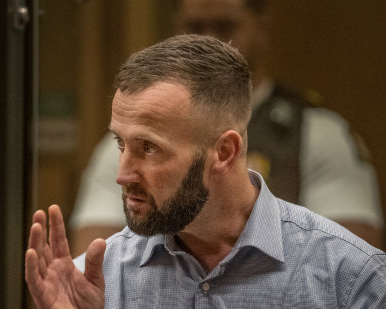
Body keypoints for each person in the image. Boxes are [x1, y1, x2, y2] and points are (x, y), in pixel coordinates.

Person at [13, 34, 386, 309]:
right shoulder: (95, 282)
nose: (123, 174)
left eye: (149, 148)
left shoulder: (352, 281)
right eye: (120, 143)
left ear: (223, 153)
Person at [69, 0, 384, 255]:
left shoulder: (318, 133)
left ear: (262, 27)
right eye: (195, 27)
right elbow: (96, 263)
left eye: (226, 26)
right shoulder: (135, 139)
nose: (210, 39)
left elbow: (349, 269)